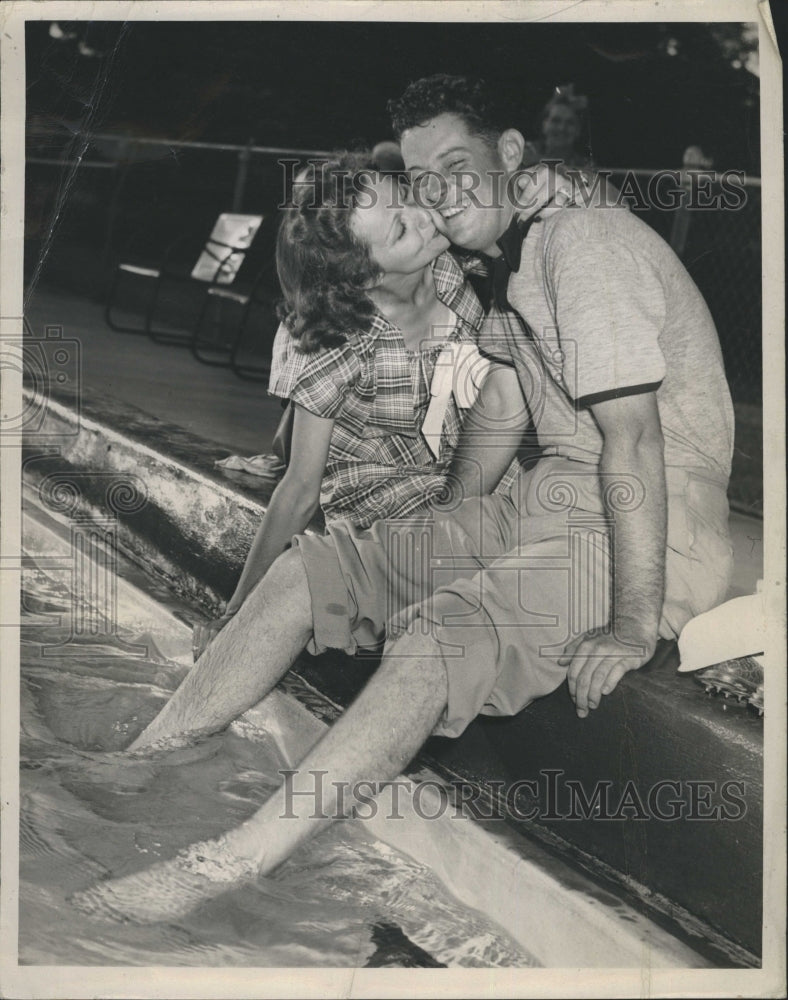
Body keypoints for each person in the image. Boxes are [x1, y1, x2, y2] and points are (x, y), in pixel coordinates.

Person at [74, 76, 734, 921]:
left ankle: (220, 866)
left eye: (457, 165)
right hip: (549, 496)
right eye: (421, 181)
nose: (439, 195)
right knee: (307, 577)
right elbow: (499, 412)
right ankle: (142, 759)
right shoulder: (514, 257)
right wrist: (437, 537)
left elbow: (635, 441)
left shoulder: (586, 248)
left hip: (648, 519)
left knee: (440, 634)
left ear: (510, 155)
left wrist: (637, 620)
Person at [194, 154, 519, 660]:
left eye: (406, 198)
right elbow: (300, 488)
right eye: (400, 229)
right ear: (366, 277)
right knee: (468, 538)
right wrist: (238, 611)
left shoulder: (449, 272)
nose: (424, 216)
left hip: (462, 464)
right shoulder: (340, 345)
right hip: (382, 487)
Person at [521, 83, 592, 170]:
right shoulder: (525, 152)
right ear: (544, 124)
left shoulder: (585, 165)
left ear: (578, 130)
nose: (561, 128)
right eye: (556, 121)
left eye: (570, 123)